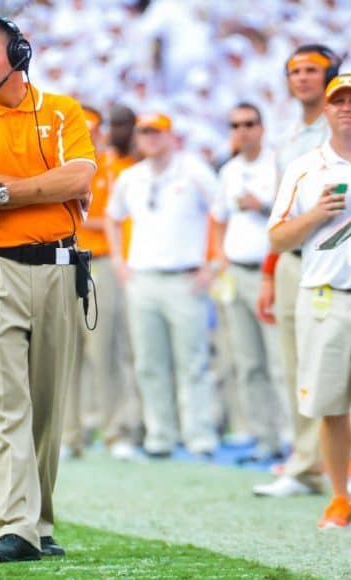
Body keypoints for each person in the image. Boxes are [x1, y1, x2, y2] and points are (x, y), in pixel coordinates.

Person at [0, 15, 95, 563]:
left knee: (49, 405)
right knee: (4, 403)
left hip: (58, 266)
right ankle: (17, 527)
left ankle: (40, 523)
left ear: (19, 54)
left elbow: (79, 179)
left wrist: (5, 194)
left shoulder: (63, 110)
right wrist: (42, 191)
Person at [268, 72, 351, 531]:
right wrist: (315, 215)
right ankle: (341, 496)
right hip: (323, 296)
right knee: (329, 403)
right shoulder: (305, 167)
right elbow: (277, 236)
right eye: (338, 100)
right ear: (325, 110)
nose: (347, 107)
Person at [105, 112, 221, 460]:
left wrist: (212, 264)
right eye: (145, 133)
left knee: (194, 361)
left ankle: (199, 434)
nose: (151, 139)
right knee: (148, 363)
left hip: (184, 277)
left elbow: (221, 212)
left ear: (172, 137)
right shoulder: (131, 177)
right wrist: (118, 261)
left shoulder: (193, 170)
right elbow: (112, 217)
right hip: (143, 277)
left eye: (157, 132)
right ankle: (160, 434)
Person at [253, 43, 341, 498]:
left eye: (312, 70)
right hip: (292, 260)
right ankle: (306, 465)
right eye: (295, 71)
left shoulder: (342, 124)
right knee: (294, 366)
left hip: (339, 259)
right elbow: (279, 214)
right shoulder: (287, 137)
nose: (303, 77)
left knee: (350, 361)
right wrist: (268, 273)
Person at [63, 104, 142, 459]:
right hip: (63, 258)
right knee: (64, 354)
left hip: (101, 260)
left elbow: (119, 219)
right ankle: (69, 436)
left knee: (106, 349)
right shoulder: (57, 165)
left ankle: (115, 431)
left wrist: (81, 222)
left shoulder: (115, 168)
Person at [211, 102, 285, 460]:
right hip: (238, 270)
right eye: (235, 125)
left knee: (280, 359)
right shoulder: (229, 170)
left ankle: (293, 439)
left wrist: (262, 205)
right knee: (248, 361)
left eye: (249, 123)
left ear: (262, 127)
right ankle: (264, 437)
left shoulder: (278, 163)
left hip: (269, 269)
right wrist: (220, 257)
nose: (242, 130)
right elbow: (217, 217)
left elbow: (293, 215)